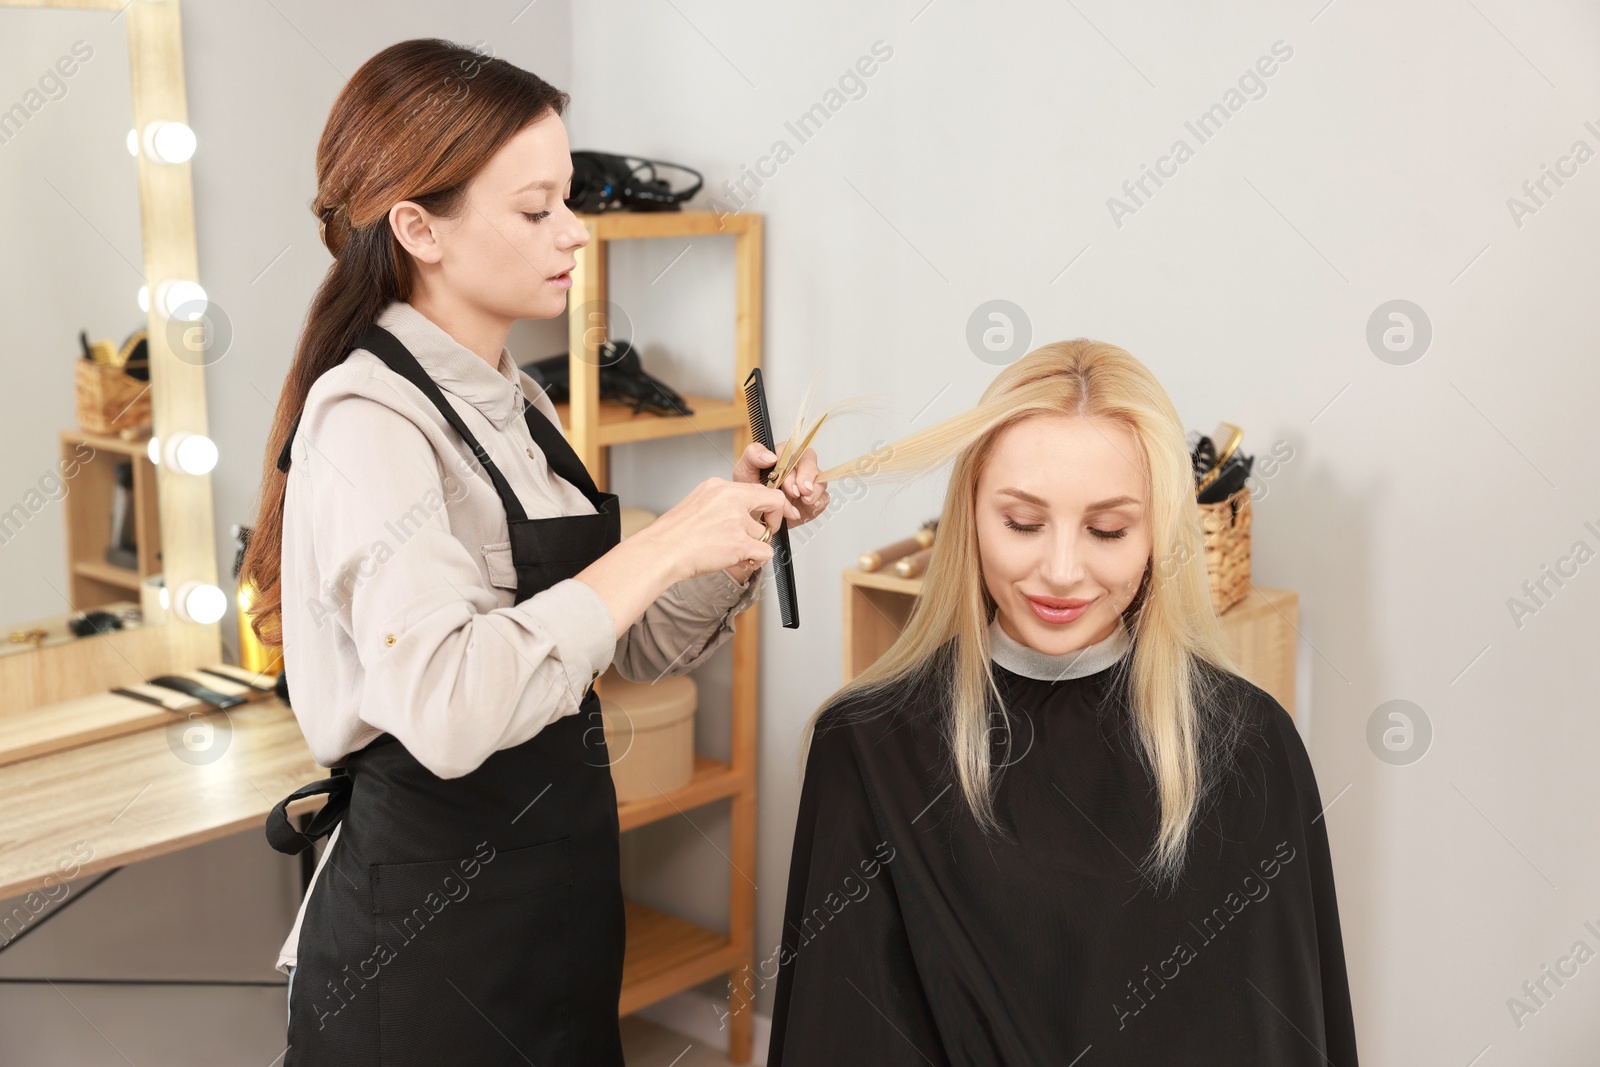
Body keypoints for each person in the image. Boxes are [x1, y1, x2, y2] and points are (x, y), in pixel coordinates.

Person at [238, 39, 829, 1067]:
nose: (575, 233)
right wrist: (658, 545)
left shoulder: (520, 402)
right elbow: (453, 706)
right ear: (419, 226)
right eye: (535, 208)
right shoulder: (367, 424)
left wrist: (726, 540)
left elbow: (623, 649)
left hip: (554, 915)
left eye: (568, 200)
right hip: (422, 948)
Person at [768, 340, 1358, 1065]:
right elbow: (844, 1036)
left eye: (1109, 530)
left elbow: (1283, 1029)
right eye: (1022, 522)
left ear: (1158, 537)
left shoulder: (1250, 746)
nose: (1062, 570)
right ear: (970, 514)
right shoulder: (865, 747)